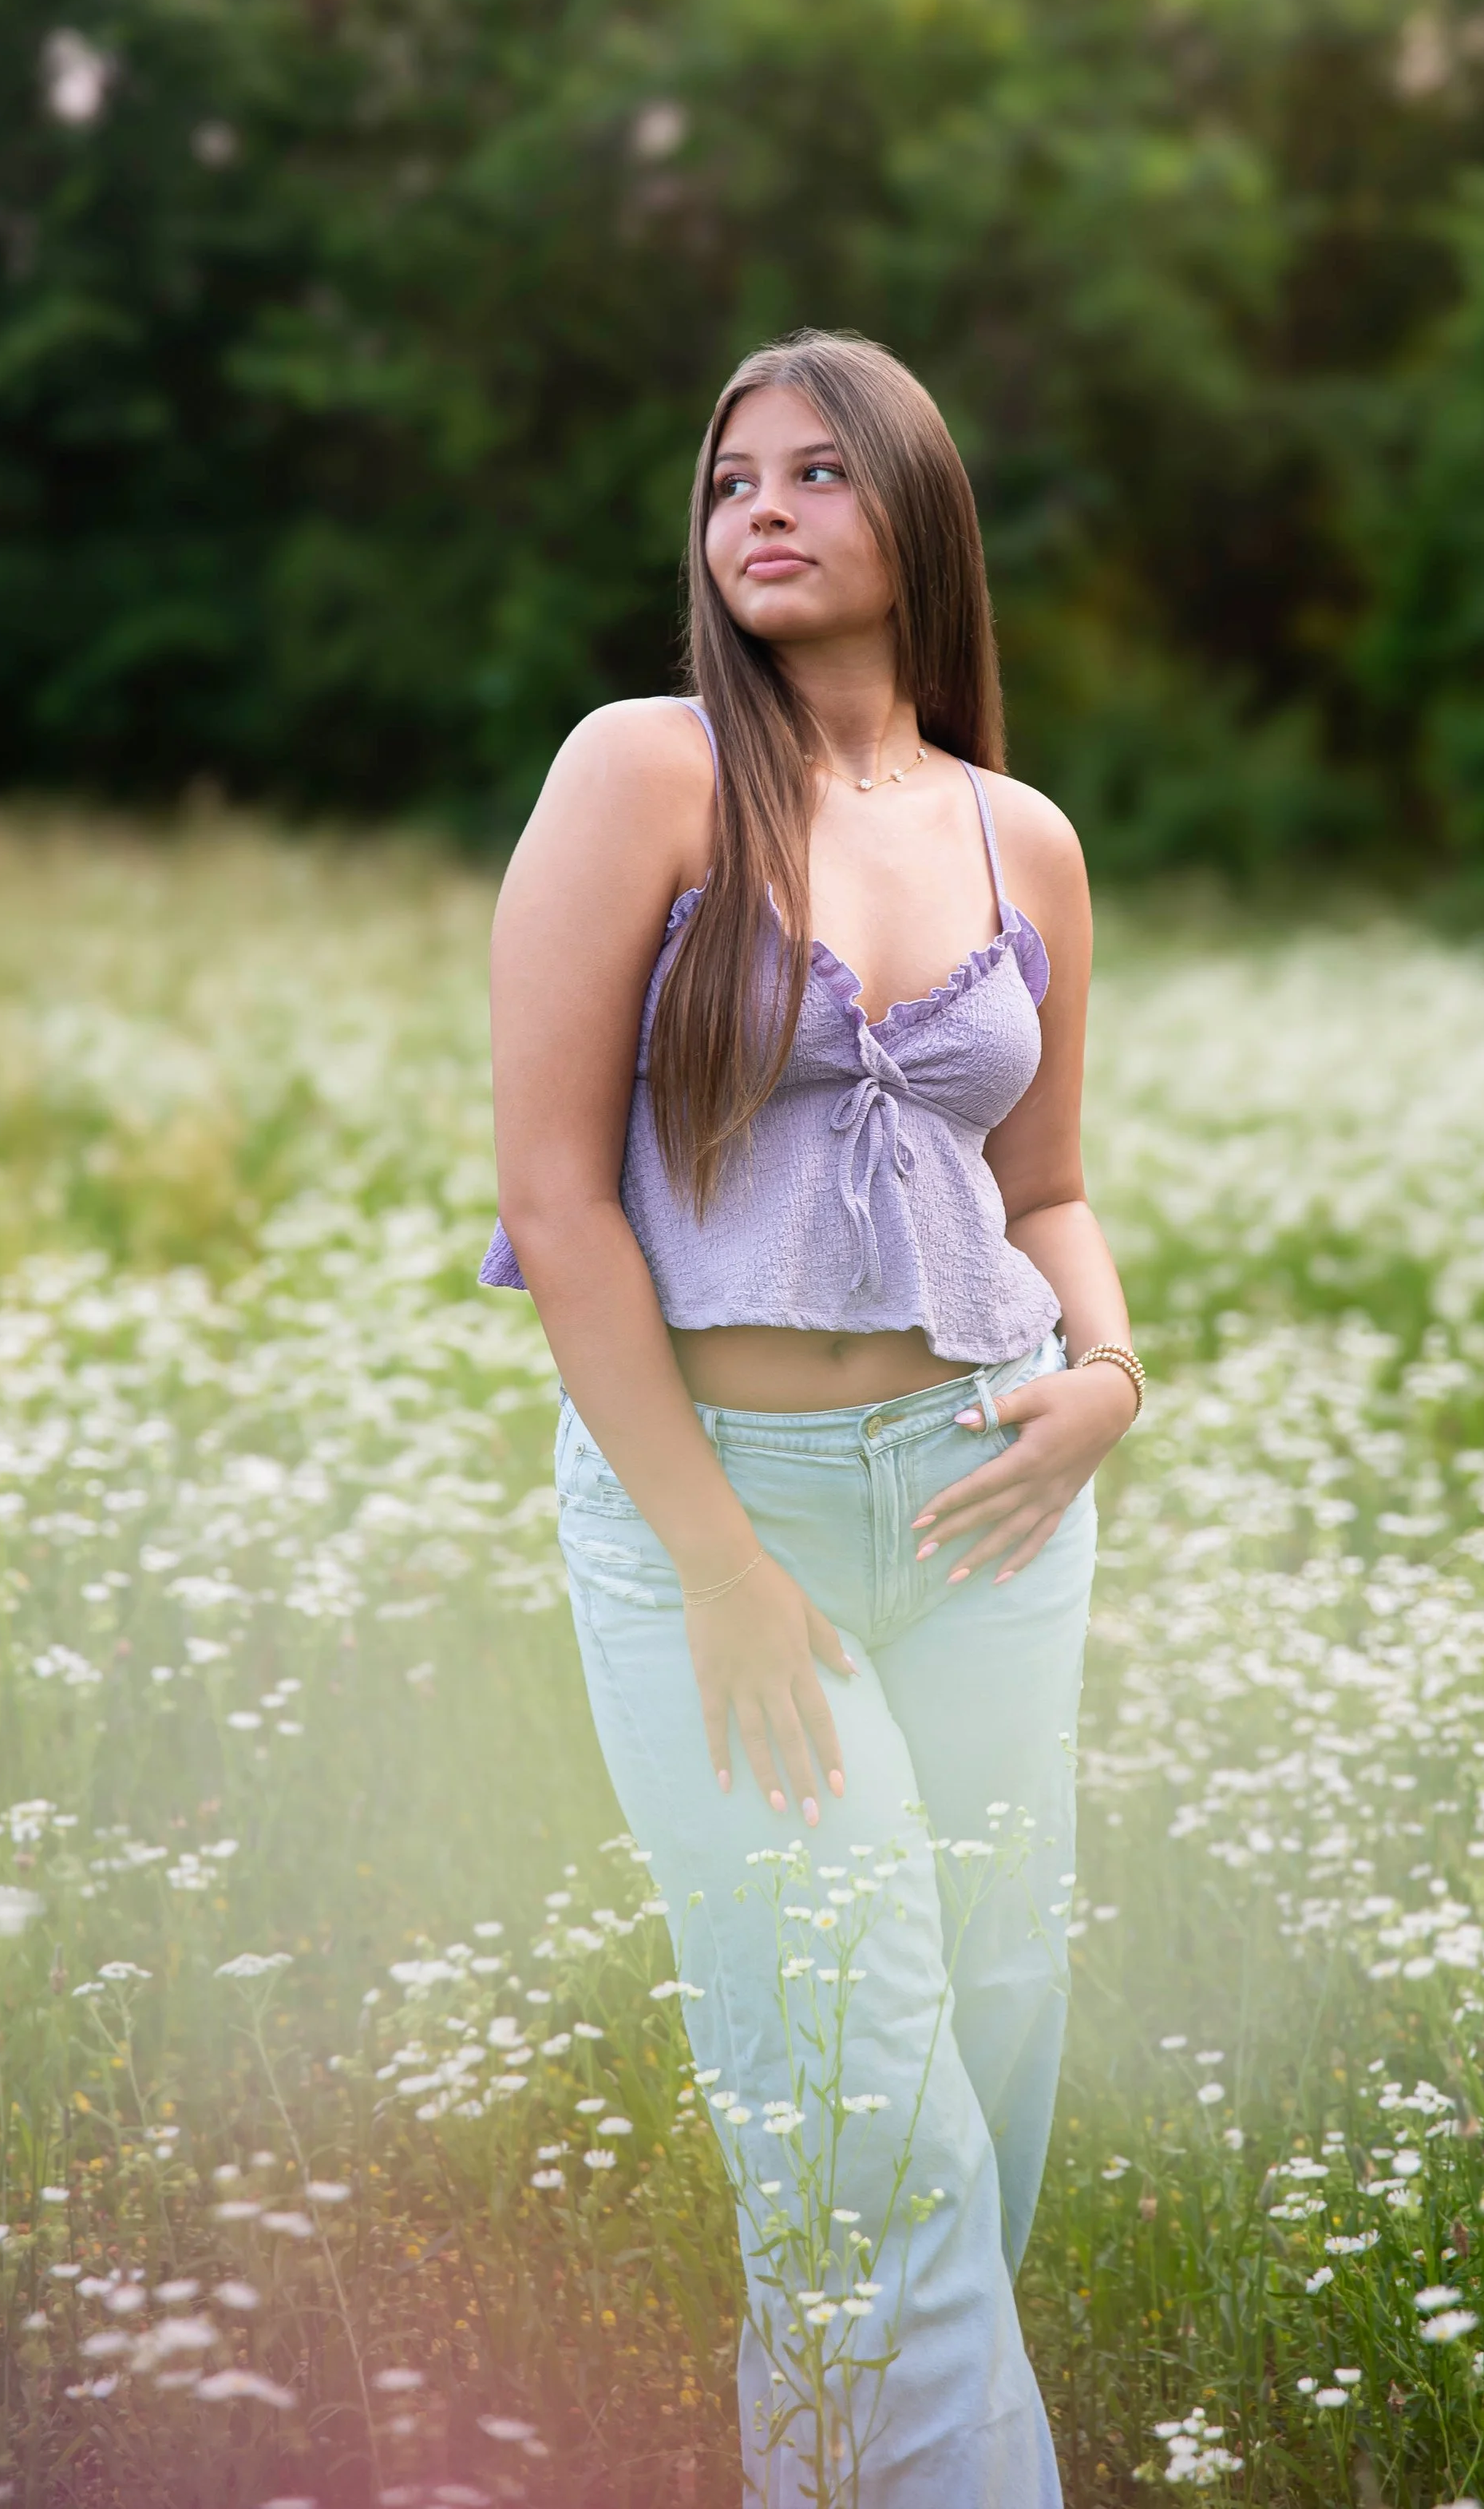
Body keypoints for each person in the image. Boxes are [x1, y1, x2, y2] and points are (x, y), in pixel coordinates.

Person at [481, 330, 1143, 2506]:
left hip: (984, 1508)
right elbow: (557, 1206)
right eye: (726, 481)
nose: (754, 507)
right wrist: (716, 1568)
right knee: (865, 2102)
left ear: (916, 520)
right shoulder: (640, 773)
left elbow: (1039, 1189)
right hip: (715, 1518)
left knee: (980, 2084)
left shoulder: (1017, 835)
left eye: (814, 474)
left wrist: (1106, 1382)